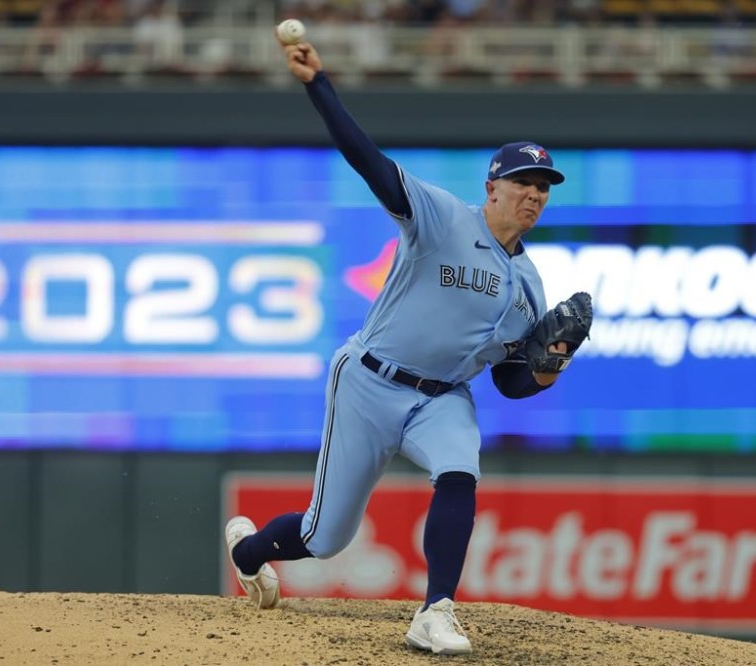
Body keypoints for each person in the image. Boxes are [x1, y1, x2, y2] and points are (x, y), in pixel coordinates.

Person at [223, 30, 592, 656]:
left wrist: (549, 369)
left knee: (460, 471)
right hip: (369, 380)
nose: (535, 193)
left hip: (442, 398)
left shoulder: (529, 285)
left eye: (545, 184)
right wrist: (319, 84)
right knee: (324, 536)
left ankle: (435, 611)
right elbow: (365, 157)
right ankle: (250, 549)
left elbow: (509, 379)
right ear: (493, 187)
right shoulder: (442, 216)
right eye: (525, 180)